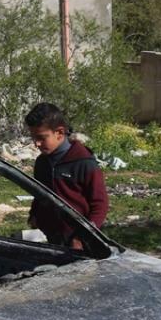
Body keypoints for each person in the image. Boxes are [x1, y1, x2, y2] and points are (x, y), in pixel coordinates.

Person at [25, 102, 108, 248]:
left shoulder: (84, 163)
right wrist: (34, 215)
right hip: (53, 237)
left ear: (60, 133)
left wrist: (84, 237)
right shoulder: (42, 163)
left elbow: (100, 204)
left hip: (81, 241)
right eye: (33, 138)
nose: (36, 144)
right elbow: (39, 194)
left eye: (42, 138)